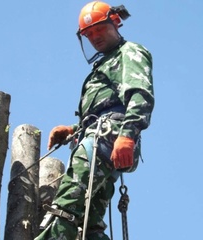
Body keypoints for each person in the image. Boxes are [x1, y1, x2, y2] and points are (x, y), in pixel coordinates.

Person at [35, 1, 154, 239]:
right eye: (89, 34)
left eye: (99, 29)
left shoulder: (129, 52)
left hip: (110, 136)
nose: (95, 37)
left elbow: (139, 94)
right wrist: (73, 129)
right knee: (89, 221)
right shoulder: (105, 63)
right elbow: (103, 105)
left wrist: (127, 135)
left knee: (66, 206)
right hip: (102, 136)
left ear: (115, 23)